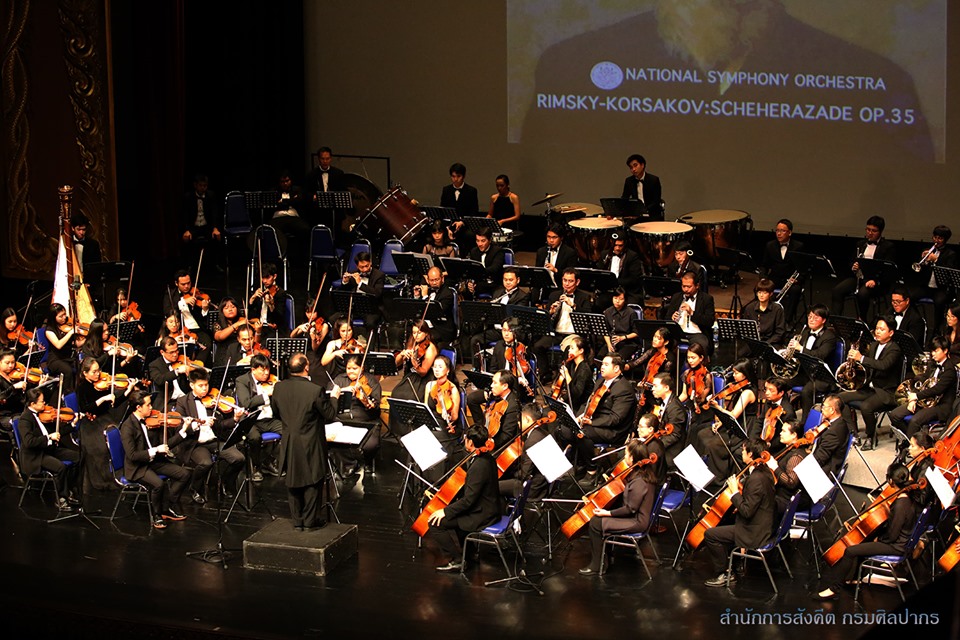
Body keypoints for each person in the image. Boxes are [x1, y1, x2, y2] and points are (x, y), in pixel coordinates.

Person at [813, 463, 920, 601]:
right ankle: (854, 578)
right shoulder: (906, 497)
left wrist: (878, 539)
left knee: (850, 551)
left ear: (891, 481)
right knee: (865, 540)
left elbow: (892, 535)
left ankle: (834, 589)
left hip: (896, 547)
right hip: (900, 543)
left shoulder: (901, 504)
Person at [271, 353, 336, 530]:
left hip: (289, 440)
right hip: (311, 441)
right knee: (313, 479)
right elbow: (329, 415)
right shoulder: (315, 390)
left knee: (293, 479)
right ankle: (309, 521)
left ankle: (297, 521)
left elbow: (276, 412)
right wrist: (334, 397)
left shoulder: (279, 387)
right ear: (306, 367)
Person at [427, 424, 504, 573]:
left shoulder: (479, 466)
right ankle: (470, 554)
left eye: (466, 438)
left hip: (482, 514)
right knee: (457, 515)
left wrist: (445, 511)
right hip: (489, 508)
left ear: (471, 442)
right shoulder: (488, 457)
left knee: (435, 523)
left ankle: (457, 560)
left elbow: (469, 501)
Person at [702, 438, 777, 587]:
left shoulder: (756, 479)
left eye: (743, 450)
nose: (741, 452)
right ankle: (735, 562)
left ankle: (725, 573)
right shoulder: (765, 472)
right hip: (764, 523)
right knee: (726, 521)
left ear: (750, 454)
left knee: (710, 535)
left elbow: (747, 512)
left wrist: (735, 492)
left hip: (754, 533)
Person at [579, 438, 659, 576]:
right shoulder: (641, 473)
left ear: (632, 458)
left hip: (637, 522)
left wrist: (607, 513)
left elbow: (630, 509)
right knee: (600, 519)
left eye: (626, 454)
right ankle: (605, 557)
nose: (624, 457)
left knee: (596, 523)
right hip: (635, 517)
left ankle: (597, 566)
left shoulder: (640, 481)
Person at [119, 389, 192, 529]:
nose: (151, 407)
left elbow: (165, 444)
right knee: (158, 484)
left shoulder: (151, 420)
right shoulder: (127, 427)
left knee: (184, 474)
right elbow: (132, 455)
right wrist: (156, 450)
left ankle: (167, 506)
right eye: (148, 405)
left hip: (154, 461)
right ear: (138, 407)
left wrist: (184, 430)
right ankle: (157, 515)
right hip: (138, 466)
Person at [173, 368, 246, 502]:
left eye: (206, 385)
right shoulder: (182, 402)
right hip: (195, 443)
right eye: (200, 386)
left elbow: (221, 425)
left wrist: (235, 419)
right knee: (205, 463)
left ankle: (225, 482)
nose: (204, 389)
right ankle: (195, 488)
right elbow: (179, 429)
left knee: (239, 458)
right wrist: (198, 424)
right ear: (192, 385)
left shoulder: (211, 400)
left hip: (213, 440)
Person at [837, 315, 903, 450]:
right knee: (840, 398)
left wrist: (861, 358)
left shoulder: (895, 349)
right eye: (877, 328)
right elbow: (868, 366)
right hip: (870, 388)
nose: (877, 332)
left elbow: (883, 365)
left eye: (882, 329)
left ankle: (870, 436)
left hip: (886, 391)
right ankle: (853, 433)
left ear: (891, 333)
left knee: (866, 407)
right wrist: (854, 363)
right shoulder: (873, 345)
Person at [567, 354, 636, 476]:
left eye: (606, 365)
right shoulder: (600, 381)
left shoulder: (624, 389)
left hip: (613, 431)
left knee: (582, 433)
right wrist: (578, 417)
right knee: (564, 429)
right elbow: (588, 403)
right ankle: (578, 462)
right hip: (596, 422)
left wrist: (592, 422)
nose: (602, 367)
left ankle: (592, 469)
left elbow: (616, 418)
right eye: (602, 364)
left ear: (616, 368)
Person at [19, 386, 81, 511]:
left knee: (78, 457)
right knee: (60, 467)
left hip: (49, 449)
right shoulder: (25, 419)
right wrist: (48, 437)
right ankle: (61, 498)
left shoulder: (43, 415)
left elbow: (57, 432)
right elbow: (29, 442)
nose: (45, 404)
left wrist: (72, 424)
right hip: (36, 455)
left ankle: (69, 489)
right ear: (32, 404)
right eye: (42, 402)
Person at [698, 359, 758, 478]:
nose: (733, 375)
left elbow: (733, 415)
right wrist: (721, 423)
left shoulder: (747, 392)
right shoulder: (740, 387)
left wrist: (718, 408)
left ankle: (717, 478)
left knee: (713, 445)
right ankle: (703, 469)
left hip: (742, 427)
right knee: (701, 434)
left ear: (745, 374)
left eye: (736, 373)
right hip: (733, 423)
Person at [830, 215, 897, 320]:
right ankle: (836, 320)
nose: (870, 233)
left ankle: (862, 319)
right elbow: (851, 261)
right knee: (837, 290)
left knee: (862, 294)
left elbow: (888, 269)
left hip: (877, 282)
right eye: (868, 229)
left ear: (880, 232)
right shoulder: (860, 244)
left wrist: (875, 281)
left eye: (874, 231)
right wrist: (853, 266)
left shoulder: (888, 247)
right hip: (859, 278)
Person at [889, 336, 957, 439]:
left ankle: (912, 445)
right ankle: (910, 441)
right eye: (932, 351)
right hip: (926, 401)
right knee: (894, 415)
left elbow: (938, 389)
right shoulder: (933, 364)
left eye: (936, 351)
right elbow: (923, 380)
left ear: (945, 351)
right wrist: (913, 400)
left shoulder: (950, 369)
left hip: (941, 406)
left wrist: (917, 396)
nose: (933, 354)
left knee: (915, 421)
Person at [533, 268, 593, 381]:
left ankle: (565, 379)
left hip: (573, 334)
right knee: (537, 346)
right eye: (565, 280)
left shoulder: (584, 297)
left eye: (570, 281)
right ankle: (546, 374)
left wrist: (573, 305)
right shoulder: (554, 295)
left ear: (577, 282)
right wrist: (550, 312)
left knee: (569, 350)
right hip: (557, 333)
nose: (567, 284)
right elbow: (546, 319)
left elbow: (587, 317)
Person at [330, 354, 382, 476]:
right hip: (343, 419)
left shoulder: (371, 381)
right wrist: (344, 390)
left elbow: (375, 407)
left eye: (355, 368)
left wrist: (365, 401)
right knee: (335, 440)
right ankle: (349, 464)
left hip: (366, 421)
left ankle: (368, 461)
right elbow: (329, 396)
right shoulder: (339, 379)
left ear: (362, 368)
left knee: (371, 445)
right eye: (349, 368)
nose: (351, 371)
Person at [235, 353, 282, 483]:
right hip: (251, 420)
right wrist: (266, 394)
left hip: (269, 418)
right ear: (253, 369)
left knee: (289, 431)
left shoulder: (272, 380)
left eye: (268, 369)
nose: (266, 373)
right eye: (262, 370)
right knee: (254, 438)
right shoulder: (242, 381)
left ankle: (268, 459)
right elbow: (246, 403)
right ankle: (256, 466)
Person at [466, 267, 529, 361]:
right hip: (496, 330)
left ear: (518, 280)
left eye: (511, 280)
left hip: (511, 331)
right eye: (505, 280)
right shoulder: (498, 292)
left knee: (501, 345)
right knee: (475, 339)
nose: (508, 282)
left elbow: (516, 318)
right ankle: (478, 367)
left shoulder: (523, 296)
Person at [789, 304, 838, 420]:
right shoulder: (805, 332)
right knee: (779, 382)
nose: (811, 320)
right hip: (805, 373)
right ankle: (788, 416)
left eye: (815, 318)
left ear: (823, 320)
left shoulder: (829, 337)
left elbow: (820, 356)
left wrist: (800, 348)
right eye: (810, 317)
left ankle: (805, 423)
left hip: (822, 377)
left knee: (806, 391)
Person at [499, 403, 553, 500]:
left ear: (527, 419)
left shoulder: (532, 441)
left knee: (494, 487)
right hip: (541, 483)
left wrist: (510, 474)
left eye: (520, 420)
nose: (518, 423)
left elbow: (525, 474)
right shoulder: (543, 432)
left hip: (532, 489)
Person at [906, 225, 955, 328]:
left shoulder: (950, 254)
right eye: (935, 237)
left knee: (939, 302)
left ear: (945, 240)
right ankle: (916, 322)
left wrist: (936, 260)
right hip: (927, 287)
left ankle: (936, 328)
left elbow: (948, 272)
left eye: (940, 238)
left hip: (941, 288)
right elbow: (919, 272)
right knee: (910, 297)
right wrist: (924, 262)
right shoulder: (929, 251)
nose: (936, 241)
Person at [761, 219, 805, 326]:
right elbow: (764, 265)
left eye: (783, 231)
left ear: (790, 232)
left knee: (795, 290)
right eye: (777, 230)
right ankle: (764, 318)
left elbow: (803, 268)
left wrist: (797, 280)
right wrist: (763, 278)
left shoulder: (798, 246)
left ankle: (786, 321)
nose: (779, 233)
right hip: (774, 279)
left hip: (790, 280)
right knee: (760, 288)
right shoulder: (770, 245)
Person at [661, 270, 715, 354]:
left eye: (689, 287)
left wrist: (692, 313)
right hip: (679, 332)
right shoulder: (676, 297)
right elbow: (667, 318)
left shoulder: (706, 299)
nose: (685, 289)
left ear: (697, 286)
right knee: (662, 341)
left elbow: (709, 321)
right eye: (683, 286)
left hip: (697, 333)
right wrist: (672, 318)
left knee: (702, 345)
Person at [335, 251, 384, 338]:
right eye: (361, 267)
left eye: (367, 266)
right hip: (355, 307)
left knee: (370, 323)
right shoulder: (354, 273)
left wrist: (360, 284)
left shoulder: (379, 275)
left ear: (370, 263)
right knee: (334, 319)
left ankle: (369, 346)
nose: (364, 269)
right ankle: (339, 344)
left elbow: (377, 293)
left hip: (372, 309)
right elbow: (345, 292)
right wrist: (345, 282)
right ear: (357, 266)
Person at [180, 174, 222, 270]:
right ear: (195, 185)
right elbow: (185, 215)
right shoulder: (188, 197)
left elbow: (214, 213)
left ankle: (215, 264)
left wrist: (215, 228)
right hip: (193, 227)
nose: (203, 188)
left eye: (205, 186)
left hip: (206, 226)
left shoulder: (211, 195)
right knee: (186, 238)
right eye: (200, 185)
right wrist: (186, 230)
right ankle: (189, 265)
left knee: (217, 236)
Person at [476, 370, 520, 450]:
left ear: (505, 386)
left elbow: (507, 434)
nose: (491, 385)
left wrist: (490, 443)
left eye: (495, 383)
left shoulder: (513, 405)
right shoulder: (497, 396)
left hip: (502, 445)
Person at [412, 267, 457, 348]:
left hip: (441, 329)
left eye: (437, 279)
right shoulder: (427, 290)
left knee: (425, 337)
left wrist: (425, 297)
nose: (434, 283)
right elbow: (418, 311)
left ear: (442, 279)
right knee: (408, 333)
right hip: (424, 327)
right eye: (432, 280)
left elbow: (436, 313)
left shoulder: (447, 294)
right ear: (427, 280)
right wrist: (417, 296)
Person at [773, 421, 811, 514]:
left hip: (790, 500)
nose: (780, 433)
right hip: (783, 495)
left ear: (794, 435)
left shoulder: (796, 456)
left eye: (783, 431)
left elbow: (791, 483)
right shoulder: (789, 448)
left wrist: (775, 468)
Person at [597, 233, 644, 306]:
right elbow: (599, 273)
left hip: (627, 291)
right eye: (615, 245)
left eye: (620, 245)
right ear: (611, 242)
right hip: (609, 291)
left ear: (625, 244)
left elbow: (634, 278)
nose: (617, 248)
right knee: (599, 302)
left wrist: (615, 282)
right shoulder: (604, 254)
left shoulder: (632, 256)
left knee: (632, 304)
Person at [740, 278, 787, 352]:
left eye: (765, 293)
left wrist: (766, 344)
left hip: (771, 343)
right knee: (741, 354)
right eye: (759, 292)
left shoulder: (777, 309)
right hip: (754, 342)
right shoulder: (750, 308)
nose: (761, 295)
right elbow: (745, 329)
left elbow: (779, 332)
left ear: (770, 294)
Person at [548, 334, 593, 411]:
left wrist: (567, 375)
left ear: (581, 351)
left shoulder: (584, 369)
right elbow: (569, 391)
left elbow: (576, 393)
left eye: (572, 348)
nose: (569, 350)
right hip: (571, 402)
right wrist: (562, 399)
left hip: (579, 407)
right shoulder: (572, 364)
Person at [650, 372, 687, 466]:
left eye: (655, 386)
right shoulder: (666, 401)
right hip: (663, 443)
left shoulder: (675, 408)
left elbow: (674, 435)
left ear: (666, 388)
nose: (652, 389)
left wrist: (654, 446)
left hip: (671, 451)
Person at [812, 395, 850, 479]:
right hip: (829, 460)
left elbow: (819, 459)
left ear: (832, 410)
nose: (821, 409)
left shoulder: (832, 433)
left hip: (826, 472)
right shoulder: (841, 422)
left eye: (824, 407)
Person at [754, 377, 796, 454]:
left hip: (775, 448)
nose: (767, 393)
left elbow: (783, 438)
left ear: (781, 393)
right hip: (762, 441)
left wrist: (765, 446)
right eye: (766, 389)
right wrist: (755, 439)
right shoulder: (769, 400)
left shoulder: (788, 412)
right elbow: (760, 421)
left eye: (771, 390)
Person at [424, 355, 461, 440]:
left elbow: (455, 416)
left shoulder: (452, 388)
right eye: (435, 367)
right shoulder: (429, 385)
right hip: (431, 422)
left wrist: (449, 417)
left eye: (440, 367)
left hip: (444, 425)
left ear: (448, 370)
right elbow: (425, 407)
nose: (436, 369)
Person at [248, 261, 288, 340]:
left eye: (267, 277)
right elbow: (250, 312)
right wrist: (253, 297)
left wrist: (271, 305)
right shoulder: (259, 290)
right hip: (258, 325)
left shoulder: (280, 293)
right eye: (263, 278)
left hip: (272, 328)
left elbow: (279, 318)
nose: (264, 281)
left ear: (274, 276)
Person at [463, 227, 506, 299]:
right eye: (477, 241)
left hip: (494, 283)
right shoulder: (474, 251)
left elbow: (494, 269)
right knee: (466, 290)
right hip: (479, 282)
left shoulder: (498, 251)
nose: (479, 244)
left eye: (483, 241)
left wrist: (479, 271)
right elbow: (470, 270)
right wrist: (470, 282)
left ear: (490, 240)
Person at [43, 303, 76, 392]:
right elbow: (58, 345)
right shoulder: (49, 330)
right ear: (53, 318)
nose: (64, 317)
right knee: (68, 371)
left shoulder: (68, 324)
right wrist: (70, 333)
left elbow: (75, 344)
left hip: (68, 357)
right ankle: (66, 394)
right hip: (55, 359)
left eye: (65, 314)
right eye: (60, 316)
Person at [602, 288, 640, 359]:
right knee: (600, 357)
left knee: (617, 359)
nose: (617, 301)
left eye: (621, 299)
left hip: (628, 343)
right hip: (612, 342)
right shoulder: (608, 311)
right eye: (615, 298)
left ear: (625, 300)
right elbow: (605, 331)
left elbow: (636, 333)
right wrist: (609, 345)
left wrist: (622, 338)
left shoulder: (631, 313)